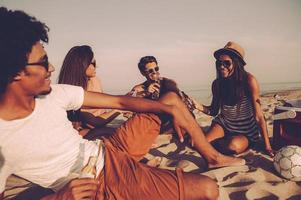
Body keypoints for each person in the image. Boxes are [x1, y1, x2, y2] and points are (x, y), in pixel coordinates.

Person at [0, 7, 245, 200]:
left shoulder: (54, 93)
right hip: (102, 180)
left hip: (109, 147)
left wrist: (168, 109)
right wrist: (58, 198)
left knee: (170, 97)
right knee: (208, 189)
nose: (51, 67)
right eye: (43, 62)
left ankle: (213, 157)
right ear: (15, 72)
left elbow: (119, 101)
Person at [192, 41, 274, 157]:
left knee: (233, 147)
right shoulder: (217, 84)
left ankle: (212, 141)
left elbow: (259, 116)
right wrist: (197, 106)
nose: (221, 67)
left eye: (226, 63)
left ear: (237, 63)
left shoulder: (249, 81)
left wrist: (267, 146)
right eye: (219, 63)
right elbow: (214, 111)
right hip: (224, 125)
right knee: (200, 144)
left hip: (246, 131)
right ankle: (210, 140)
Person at [58, 45, 121, 136]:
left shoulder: (95, 80)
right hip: (81, 133)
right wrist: (121, 109)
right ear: (82, 65)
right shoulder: (71, 91)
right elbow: (93, 123)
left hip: (96, 128)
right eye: (93, 63)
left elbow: (103, 111)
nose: (97, 66)